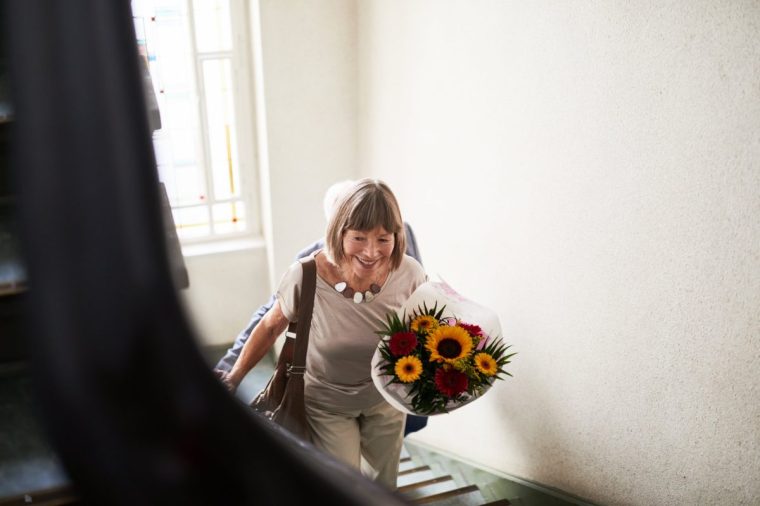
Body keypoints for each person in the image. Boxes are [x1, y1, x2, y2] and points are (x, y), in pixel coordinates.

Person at [221, 179, 426, 490]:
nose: (372, 252)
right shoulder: (305, 274)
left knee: (384, 487)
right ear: (337, 232)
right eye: (359, 238)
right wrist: (234, 376)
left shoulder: (409, 272)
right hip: (327, 404)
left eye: (383, 239)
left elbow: (422, 325)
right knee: (344, 486)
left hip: (386, 398)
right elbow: (268, 325)